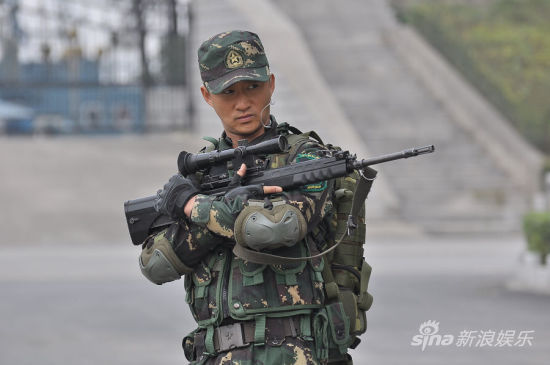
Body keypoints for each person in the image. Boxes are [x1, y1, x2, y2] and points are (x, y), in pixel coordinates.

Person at [138, 30, 373, 364]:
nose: (243, 102)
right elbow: (155, 264)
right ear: (207, 95)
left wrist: (196, 208)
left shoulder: (305, 159)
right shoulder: (198, 174)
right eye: (228, 91)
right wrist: (214, 206)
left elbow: (276, 227)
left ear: (271, 84)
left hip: (294, 353)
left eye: (253, 87)